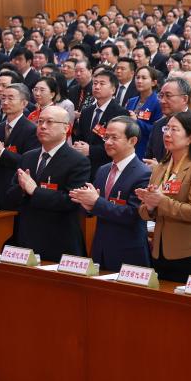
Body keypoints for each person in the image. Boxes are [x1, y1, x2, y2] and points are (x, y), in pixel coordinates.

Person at [3, 105, 91, 260]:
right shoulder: (28, 157)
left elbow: (70, 201)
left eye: (49, 122)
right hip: (25, 239)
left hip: (58, 241)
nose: (42, 126)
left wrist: (34, 191)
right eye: (40, 121)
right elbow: (10, 196)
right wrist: (22, 189)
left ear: (66, 128)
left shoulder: (78, 161)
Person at [137, 111, 191, 281]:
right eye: (166, 128)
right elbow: (144, 213)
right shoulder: (160, 167)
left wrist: (160, 201)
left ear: (190, 138)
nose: (167, 133)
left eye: (174, 129)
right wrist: (149, 206)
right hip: (160, 252)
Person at [69, 116, 152, 271]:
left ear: (132, 141)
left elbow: (133, 215)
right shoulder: (103, 170)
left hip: (128, 253)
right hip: (100, 249)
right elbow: (96, 207)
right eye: (106, 137)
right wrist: (87, 205)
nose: (107, 142)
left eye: (114, 138)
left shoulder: (144, 173)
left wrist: (96, 202)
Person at [0, 83, 38, 208]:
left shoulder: (32, 130)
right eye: (3, 98)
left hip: (18, 191)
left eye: (10, 98)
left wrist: (2, 153)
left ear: (24, 103)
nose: (5, 102)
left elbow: (28, 163)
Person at [72, 68, 130, 177]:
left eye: (102, 84)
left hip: (107, 166)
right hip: (84, 166)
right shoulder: (86, 111)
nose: (97, 87)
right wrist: (78, 145)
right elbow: (80, 136)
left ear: (113, 90)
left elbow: (119, 144)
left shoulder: (120, 113)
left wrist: (91, 150)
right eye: (95, 83)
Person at [145, 77, 191, 162]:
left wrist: (161, 168)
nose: (162, 101)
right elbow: (149, 159)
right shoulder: (158, 125)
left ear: (184, 99)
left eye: (168, 96)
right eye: (161, 96)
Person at [126, 66, 162, 159]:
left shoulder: (159, 103)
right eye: (137, 77)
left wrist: (137, 121)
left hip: (145, 150)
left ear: (153, 82)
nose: (139, 81)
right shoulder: (131, 101)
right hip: (128, 148)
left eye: (144, 78)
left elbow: (157, 130)